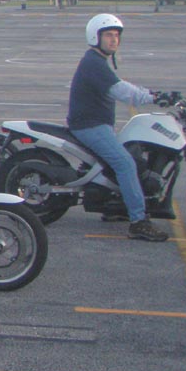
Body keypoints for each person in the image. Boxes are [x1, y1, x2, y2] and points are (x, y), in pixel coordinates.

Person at [67, 14, 169, 242]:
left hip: (98, 125)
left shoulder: (97, 61)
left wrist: (152, 94)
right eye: (108, 35)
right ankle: (138, 222)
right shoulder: (93, 63)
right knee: (125, 164)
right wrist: (154, 97)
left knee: (129, 155)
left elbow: (121, 87)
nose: (114, 40)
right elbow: (122, 91)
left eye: (116, 35)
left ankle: (117, 206)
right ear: (95, 37)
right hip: (89, 126)